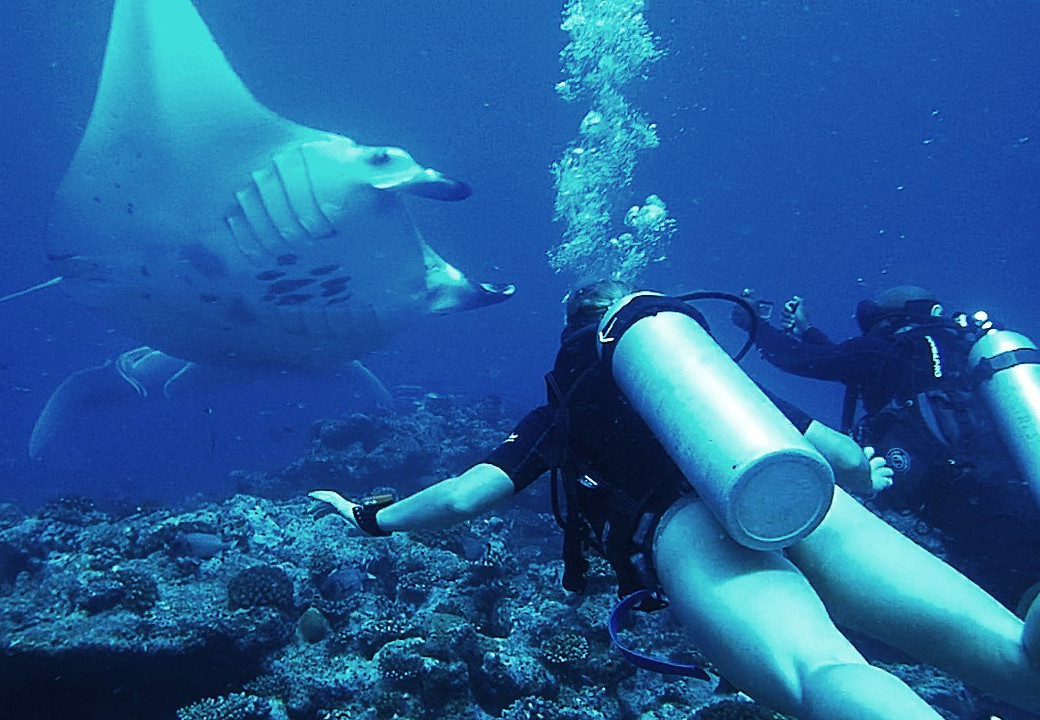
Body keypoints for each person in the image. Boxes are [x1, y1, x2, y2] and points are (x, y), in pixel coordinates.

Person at [311, 280, 1040, 720]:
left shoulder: (571, 399)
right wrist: (862, 484)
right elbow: (844, 457)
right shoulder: (715, 386)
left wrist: (371, 518)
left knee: (824, 672)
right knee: (1014, 656)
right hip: (797, 495)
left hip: (686, 529)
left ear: (573, 334)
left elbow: (468, 496)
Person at [736, 284, 1040, 609]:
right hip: (1014, 483)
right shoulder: (959, 353)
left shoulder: (891, 349)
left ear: (890, 318)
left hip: (968, 500)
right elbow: (847, 361)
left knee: (1021, 597)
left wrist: (752, 322)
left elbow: (800, 359)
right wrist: (808, 330)